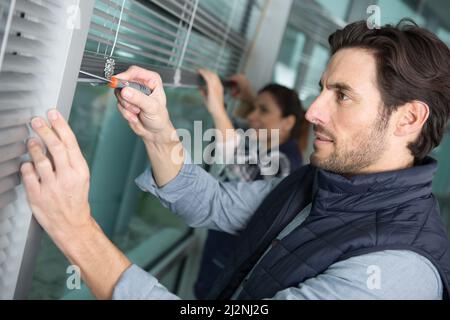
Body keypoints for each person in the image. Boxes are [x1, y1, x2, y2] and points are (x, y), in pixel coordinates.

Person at [21, 20, 450, 300]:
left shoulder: (397, 273)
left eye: (342, 95)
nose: (313, 112)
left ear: (408, 118)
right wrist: (159, 131)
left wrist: (76, 230)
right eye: (322, 89)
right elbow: (215, 203)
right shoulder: (316, 183)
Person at [195, 70, 307, 298]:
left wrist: (217, 108)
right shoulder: (266, 142)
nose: (253, 116)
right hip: (219, 252)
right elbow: (239, 128)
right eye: (254, 108)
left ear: (288, 122)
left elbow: (238, 158)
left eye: (263, 110)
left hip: (228, 266)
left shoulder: (286, 162)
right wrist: (248, 97)